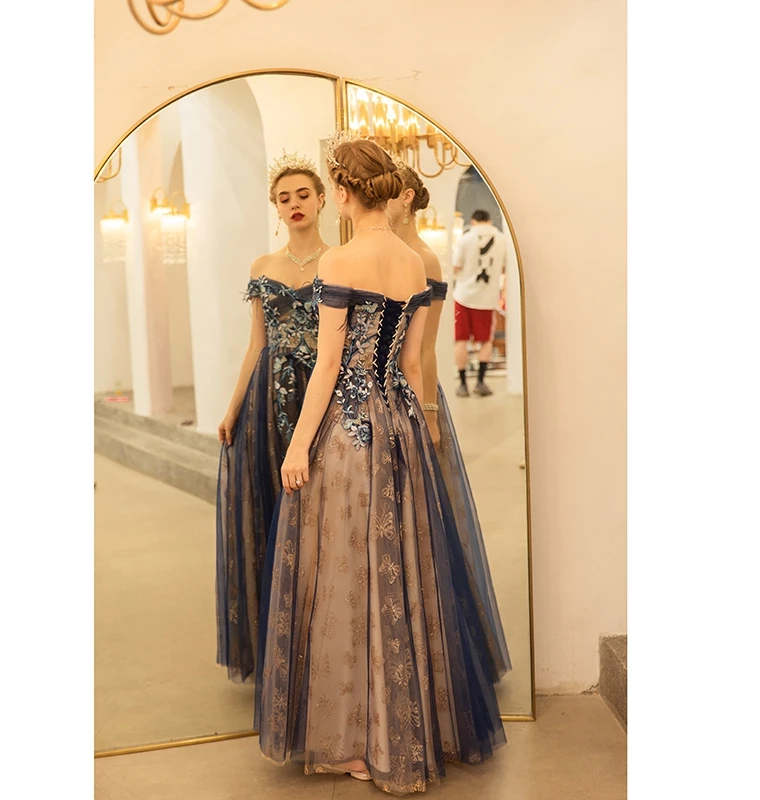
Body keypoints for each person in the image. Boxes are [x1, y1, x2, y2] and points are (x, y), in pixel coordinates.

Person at [255, 136, 506, 794]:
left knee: (346, 574)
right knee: (401, 572)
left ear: (340, 193)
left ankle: (355, 742)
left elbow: (330, 368)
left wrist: (298, 445)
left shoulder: (340, 258)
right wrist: (421, 427)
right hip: (400, 427)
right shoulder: (414, 261)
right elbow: (413, 364)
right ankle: (407, 730)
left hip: (350, 431)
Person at [388, 159, 511, 684]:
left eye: (388, 192)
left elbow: (426, 349)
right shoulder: (377, 253)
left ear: (407, 199)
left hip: (411, 393)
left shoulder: (424, 258)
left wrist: (429, 413)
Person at [215, 152, 328, 683]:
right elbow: (256, 343)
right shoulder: (262, 267)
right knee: (271, 511)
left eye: (303, 194)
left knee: (320, 511)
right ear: (276, 208)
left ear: (322, 199)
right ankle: (279, 647)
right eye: (284, 198)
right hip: (267, 400)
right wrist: (233, 406)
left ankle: (322, 638)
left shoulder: (342, 261)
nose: (294, 204)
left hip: (322, 395)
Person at [452, 209, 508, 397]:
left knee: (461, 339)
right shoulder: (502, 239)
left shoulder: (465, 238)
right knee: (485, 340)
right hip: (487, 298)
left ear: (473, 221)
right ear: (490, 221)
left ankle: (462, 384)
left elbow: (455, 266)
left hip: (463, 297)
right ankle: (480, 382)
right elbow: (504, 268)